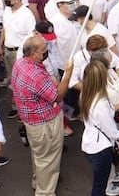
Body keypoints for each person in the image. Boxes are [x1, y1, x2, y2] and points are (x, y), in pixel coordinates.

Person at [11, 35, 74, 196]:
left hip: (31, 120)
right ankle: (45, 192)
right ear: (33, 53)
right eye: (44, 51)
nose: (47, 53)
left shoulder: (20, 63)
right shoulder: (36, 75)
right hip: (45, 122)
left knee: (39, 155)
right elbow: (57, 96)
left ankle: (39, 181)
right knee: (48, 158)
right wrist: (67, 75)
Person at [80, 60, 119, 196]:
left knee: (99, 181)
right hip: (101, 148)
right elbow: (111, 130)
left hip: (89, 142)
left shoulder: (86, 94)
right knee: (100, 186)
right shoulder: (101, 102)